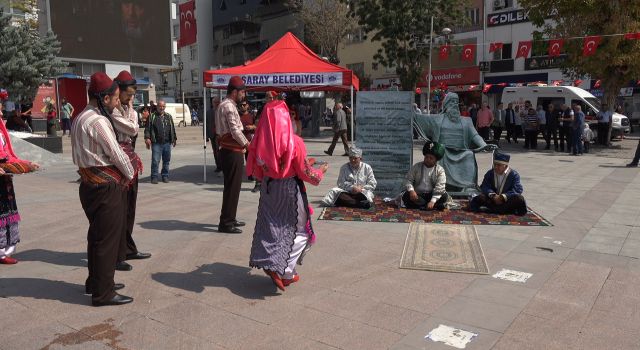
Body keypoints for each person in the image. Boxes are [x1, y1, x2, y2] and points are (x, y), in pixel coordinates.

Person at [247, 100, 328, 291]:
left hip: (269, 189)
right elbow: (307, 174)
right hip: (289, 191)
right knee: (302, 231)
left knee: (273, 229)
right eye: (289, 116)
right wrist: (321, 171)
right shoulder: (295, 142)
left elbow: (258, 170)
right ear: (285, 119)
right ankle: (284, 270)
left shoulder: (258, 142)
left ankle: (273, 264)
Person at [71, 72, 135, 306]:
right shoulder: (98, 121)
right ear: (104, 98)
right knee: (107, 240)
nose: (117, 102)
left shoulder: (80, 117)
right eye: (115, 98)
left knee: (97, 237)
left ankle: (96, 282)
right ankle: (103, 293)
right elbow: (116, 153)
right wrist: (129, 174)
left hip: (89, 185)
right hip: (105, 187)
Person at [413, 92, 497, 192]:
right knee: (440, 155)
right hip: (443, 149)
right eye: (452, 102)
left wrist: (484, 145)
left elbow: (475, 135)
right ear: (446, 105)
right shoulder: (437, 119)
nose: (454, 104)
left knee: (469, 154)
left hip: (462, 151)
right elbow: (419, 118)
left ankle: (467, 186)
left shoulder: (467, 121)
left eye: (456, 102)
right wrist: (407, 107)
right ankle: (442, 185)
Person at [112, 71, 151, 271]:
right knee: (119, 210)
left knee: (130, 208)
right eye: (128, 94)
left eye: (133, 95)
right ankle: (117, 254)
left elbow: (133, 127)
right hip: (116, 163)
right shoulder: (112, 111)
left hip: (130, 160)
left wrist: (129, 117)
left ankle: (127, 247)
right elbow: (132, 130)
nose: (130, 98)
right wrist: (128, 119)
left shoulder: (131, 111)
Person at [0, 113, 39, 265]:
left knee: (6, 214)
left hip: (4, 180)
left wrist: (26, 164)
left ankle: (4, 251)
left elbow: (8, 156)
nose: (2, 114)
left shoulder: (2, 132)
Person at [215, 76, 249, 234]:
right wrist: (247, 145)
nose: (244, 95)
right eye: (242, 92)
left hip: (230, 150)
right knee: (232, 187)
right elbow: (235, 131)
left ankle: (230, 217)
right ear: (235, 92)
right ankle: (226, 222)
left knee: (233, 187)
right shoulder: (229, 106)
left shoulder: (227, 105)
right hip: (231, 151)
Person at [469, 152, 527, 216]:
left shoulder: (514, 175)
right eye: (495, 164)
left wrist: (502, 197)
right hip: (492, 200)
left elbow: (518, 189)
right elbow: (484, 186)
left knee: (519, 198)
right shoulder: (490, 173)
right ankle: (500, 210)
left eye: (499, 165)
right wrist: (493, 195)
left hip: (506, 201)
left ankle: (499, 210)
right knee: (480, 197)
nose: (496, 167)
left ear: (505, 165)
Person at [398, 141, 449, 210]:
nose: (428, 159)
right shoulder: (417, 166)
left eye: (431, 158)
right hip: (418, 195)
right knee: (406, 196)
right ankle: (427, 206)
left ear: (436, 160)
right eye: (426, 157)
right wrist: (411, 191)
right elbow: (408, 179)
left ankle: (424, 205)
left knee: (444, 196)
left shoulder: (440, 170)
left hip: (432, 195)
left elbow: (440, 187)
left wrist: (432, 201)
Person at [144, 100, 177, 183]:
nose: (161, 108)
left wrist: (174, 139)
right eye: (160, 106)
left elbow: (172, 128)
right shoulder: (152, 116)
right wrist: (147, 138)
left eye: (163, 106)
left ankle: (165, 176)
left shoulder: (168, 116)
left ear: (165, 107)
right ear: (157, 107)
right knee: (155, 161)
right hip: (156, 143)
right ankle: (154, 177)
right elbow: (147, 128)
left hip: (167, 143)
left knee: (166, 161)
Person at [206, 97, 222, 172]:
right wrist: (205, 135)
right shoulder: (208, 112)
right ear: (212, 103)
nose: (216, 104)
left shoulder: (222, 111)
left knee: (222, 151)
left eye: (218, 102)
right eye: (215, 102)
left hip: (222, 134)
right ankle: (218, 166)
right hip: (213, 134)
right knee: (215, 151)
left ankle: (222, 165)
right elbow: (206, 124)